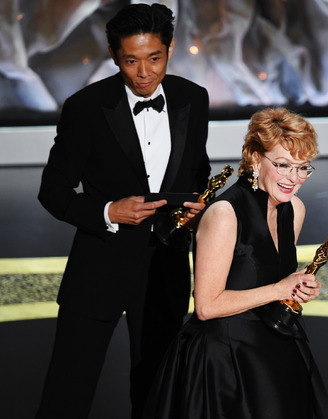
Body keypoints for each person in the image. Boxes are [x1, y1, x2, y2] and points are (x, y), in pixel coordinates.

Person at [36, 4, 210, 418]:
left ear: (170, 50)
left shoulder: (193, 98)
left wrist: (198, 207)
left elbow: (197, 170)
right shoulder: (85, 107)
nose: (144, 73)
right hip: (99, 269)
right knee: (66, 395)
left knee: (158, 397)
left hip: (165, 270)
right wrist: (108, 212)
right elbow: (52, 191)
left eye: (155, 58)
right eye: (131, 61)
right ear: (114, 56)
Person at [143, 107, 328, 419]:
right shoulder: (224, 214)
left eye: (303, 168)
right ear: (255, 159)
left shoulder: (294, 209)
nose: (294, 178)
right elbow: (206, 306)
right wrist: (280, 289)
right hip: (224, 362)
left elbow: (272, 279)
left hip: (274, 352)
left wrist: (298, 288)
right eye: (283, 165)